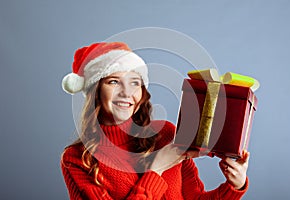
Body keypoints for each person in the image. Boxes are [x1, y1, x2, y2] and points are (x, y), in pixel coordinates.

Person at [61, 42, 250, 199]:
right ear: (95, 91)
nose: (127, 93)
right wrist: (156, 169)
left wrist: (235, 185)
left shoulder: (167, 135)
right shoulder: (76, 159)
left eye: (135, 82)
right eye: (113, 82)